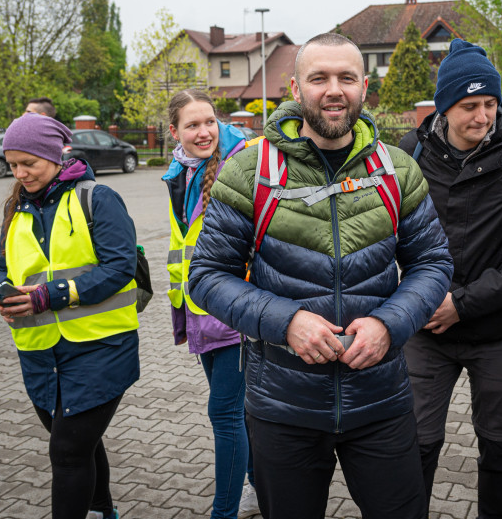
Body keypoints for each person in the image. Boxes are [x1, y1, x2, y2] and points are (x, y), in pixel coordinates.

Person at [188, 32, 454, 519]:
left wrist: (388, 324)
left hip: (381, 399)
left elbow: (433, 262)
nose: (334, 90)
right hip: (281, 406)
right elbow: (206, 276)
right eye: (319, 78)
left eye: (346, 78)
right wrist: (286, 321)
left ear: (364, 87)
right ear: (295, 88)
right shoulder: (250, 169)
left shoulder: (397, 169)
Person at [398, 38, 502, 519]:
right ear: (445, 105)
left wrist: (461, 304)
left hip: (497, 332)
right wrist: (418, 301)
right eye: (469, 106)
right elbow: (388, 241)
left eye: (490, 104)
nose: (482, 116)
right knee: (416, 444)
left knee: (500, 448)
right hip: (425, 332)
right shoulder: (410, 154)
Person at [0, 113, 139, 519]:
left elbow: (119, 267)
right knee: (79, 443)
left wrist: (46, 296)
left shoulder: (98, 198)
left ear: (56, 156)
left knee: (68, 450)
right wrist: (3, 294)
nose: (20, 173)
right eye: (14, 164)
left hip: (100, 347)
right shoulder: (14, 207)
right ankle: (102, 509)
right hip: (39, 352)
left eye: (29, 164)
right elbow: (1, 266)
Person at [163, 89, 258, 519]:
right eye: (192, 125)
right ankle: (262, 487)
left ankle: (225, 511)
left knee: (223, 414)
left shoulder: (243, 164)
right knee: (238, 414)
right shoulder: (180, 174)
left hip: (237, 308)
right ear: (174, 132)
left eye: (209, 122)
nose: (204, 132)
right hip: (202, 310)